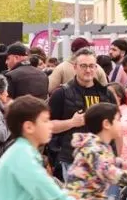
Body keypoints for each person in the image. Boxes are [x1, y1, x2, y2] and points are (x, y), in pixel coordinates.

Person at [47, 48, 115, 178]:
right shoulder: (61, 93)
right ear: (75, 67)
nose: (88, 70)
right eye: (83, 66)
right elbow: (48, 126)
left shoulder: (107, 94)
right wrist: (71, 122)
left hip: (103, 160)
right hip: (73, 160)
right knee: (77, 198)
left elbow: (117, 128)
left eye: (91, 66)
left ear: (96, 67)